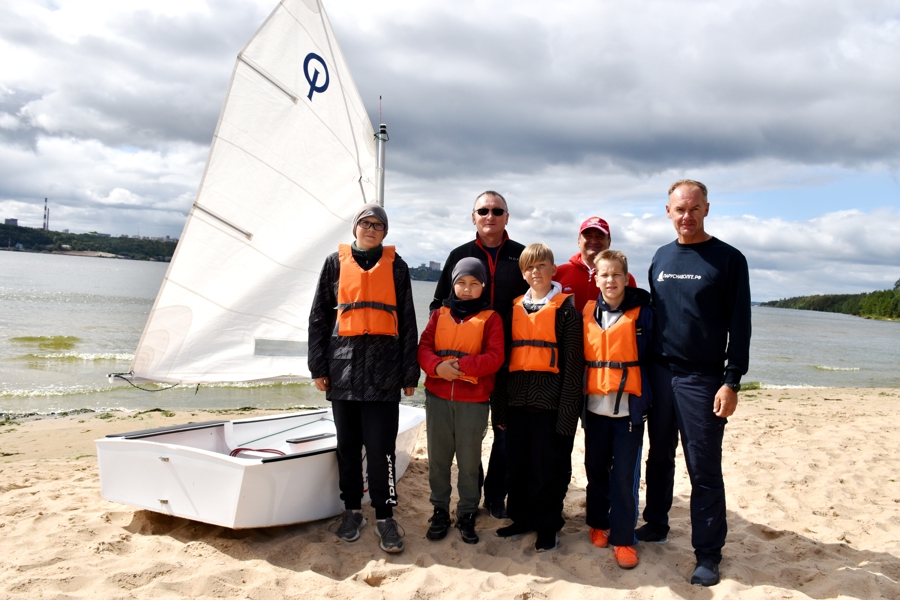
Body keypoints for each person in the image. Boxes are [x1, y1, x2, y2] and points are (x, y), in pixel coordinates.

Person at [638, 180, 751, 586]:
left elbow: (740, 324)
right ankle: (656, 524)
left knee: (703, 467)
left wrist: (732, 380)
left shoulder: (728, 259)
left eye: (694, 209)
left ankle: (707, 554)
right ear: (667, 212)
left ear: (706, 209)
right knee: (658, 455)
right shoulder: (660, 256)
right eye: (679, 209)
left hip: (702, 379)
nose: (687, 216)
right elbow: (652, 314)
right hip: (659, 372)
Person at [307, 203, 420, 555]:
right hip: (343, 371)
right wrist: (318, 368)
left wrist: (409, 372)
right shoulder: (333, 264)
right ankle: (352, 511)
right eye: (365, 223)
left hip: (384, 375)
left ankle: (385, 517)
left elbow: (407, 322)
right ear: (355, 228)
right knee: (347, 449)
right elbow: (319, 318)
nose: (371, 229)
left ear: (384, 233)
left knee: (382, 451)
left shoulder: (397, 268)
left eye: (378, 225)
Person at [430, 191, 529, 519]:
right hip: (465, 364)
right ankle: (468, 494)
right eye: (483, 210)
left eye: (497, 210)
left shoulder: (521, 255)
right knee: (469, 437)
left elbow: (540, 297)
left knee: (505, 430)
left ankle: (496, 496)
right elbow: (439, 304)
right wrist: (445, 360)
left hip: (511, 360)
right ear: (473, 216)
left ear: (506, 216)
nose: (490, 215)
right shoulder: (460, 254)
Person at [493, 243, 583, 552]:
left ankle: (548, 526)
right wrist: (500, 409)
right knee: (517, 465)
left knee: (548, 469)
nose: (535, 272)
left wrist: (568, 414)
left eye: (541, 265)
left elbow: (573, 367)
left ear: (553, 270)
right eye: (529, 267)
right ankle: (521, 519)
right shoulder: (514, 308)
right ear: (523, 273)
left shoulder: (566, 310)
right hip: (517, 402)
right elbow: (504, 364)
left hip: (552, 405)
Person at [418, 258, 505, 544]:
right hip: (438, 398)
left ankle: (466, 512)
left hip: (474, 401)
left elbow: (495, 357)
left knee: (469, 462)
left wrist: (459, 368)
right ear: (453, 284)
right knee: (439, 459)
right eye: (461, 283)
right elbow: (424, 348)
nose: (467, 290)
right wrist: (436, 368)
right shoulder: (439, 314)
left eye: (474, 284)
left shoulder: (491, 318)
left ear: (483, 286)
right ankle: (440, 510)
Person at [582, 249, 653, 570]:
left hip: (628, 414)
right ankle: (598, 522)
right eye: (604, 274)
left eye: (616, 274)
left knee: (624, 478)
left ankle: (624, 539)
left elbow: (655, 360)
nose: (610, 280)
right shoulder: (586, 313)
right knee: (596, 471)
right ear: (595, 279)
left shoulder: (644, 316)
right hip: (595, 412)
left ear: (626, 278)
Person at [555, 216, 637, 313]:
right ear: (579, 241)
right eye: (588, 236)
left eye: (600, 236)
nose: (593, 241)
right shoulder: (557, 273)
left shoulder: (623, 278)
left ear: (609, 241)